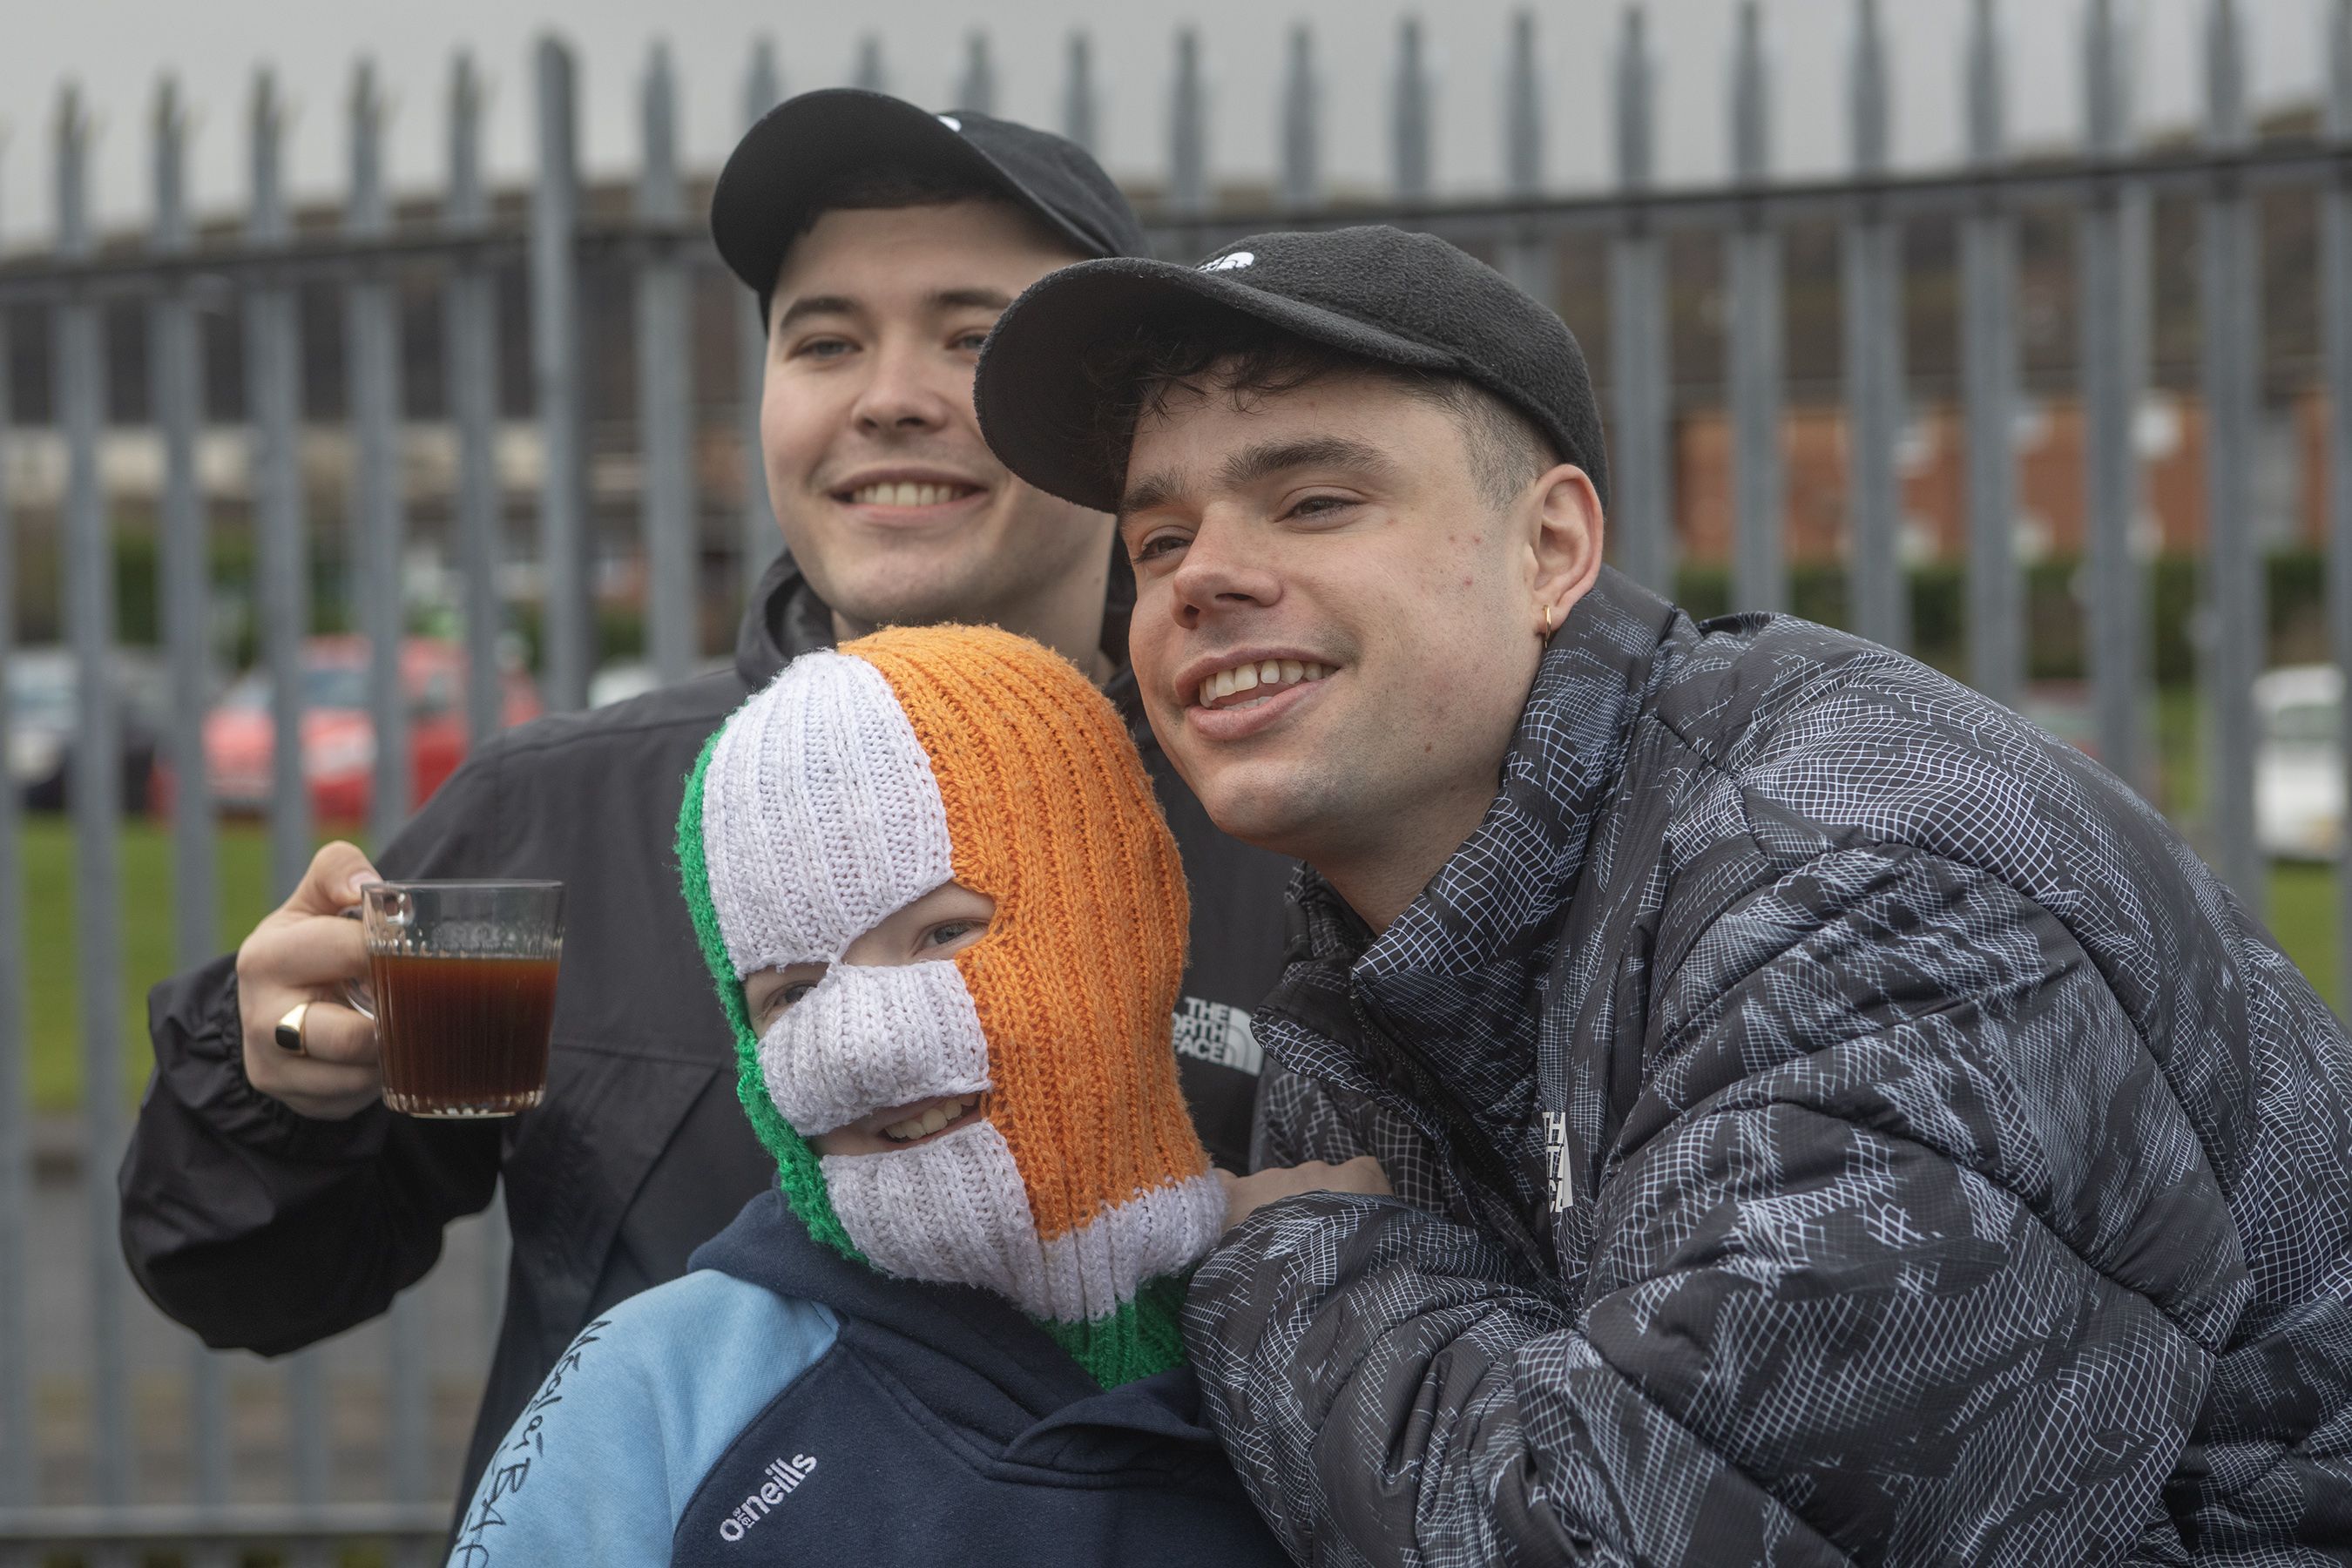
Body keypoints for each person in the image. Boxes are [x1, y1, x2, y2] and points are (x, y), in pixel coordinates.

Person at [970, 226, 2352, 1561]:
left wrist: (1296, 1268)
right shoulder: (1385, 938)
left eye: (1317, 500)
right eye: (1156, 541)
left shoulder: (1865, 889)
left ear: (1552, 551)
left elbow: (1631, 1535)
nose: (1200, 577)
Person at [118, 91, 1290, 1518]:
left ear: (1111, 416)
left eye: (975, 337)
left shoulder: (1284, 808)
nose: (889, 395)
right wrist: (277, 1092)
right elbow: (248, 1281)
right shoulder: (564, 812)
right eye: (824, 340)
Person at [444, 624, 1285, 1567]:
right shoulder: (667, 1392)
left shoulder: (1326, 1326)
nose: (863, 1045)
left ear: (1132, 916)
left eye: (943, 935)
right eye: (791, 994)